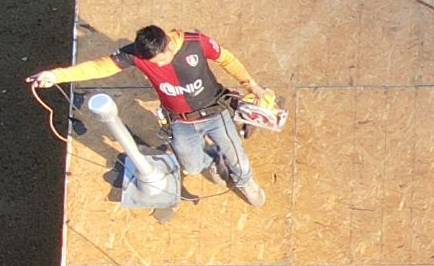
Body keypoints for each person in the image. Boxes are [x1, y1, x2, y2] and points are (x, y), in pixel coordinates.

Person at [30, 25, 270, 207]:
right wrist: (55, 76)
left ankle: (244, 181)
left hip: (214, 112)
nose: (159, 66)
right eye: (153, 63)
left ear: (168, 45)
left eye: (161, 59)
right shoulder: (137, 55)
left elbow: (226, 58)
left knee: (237, 157)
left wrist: (251, 85)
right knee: (193, 166)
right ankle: (212, 160)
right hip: (180, 120)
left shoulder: (196, 43)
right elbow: (98, 67)